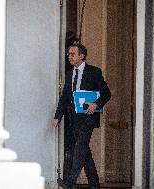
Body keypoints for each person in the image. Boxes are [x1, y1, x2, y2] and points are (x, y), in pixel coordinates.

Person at [52, 43, 111, 189]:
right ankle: (94, 184)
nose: (69, 56)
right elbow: (65, 96)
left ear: (81, 56)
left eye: (72, 54)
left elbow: (106, 93)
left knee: (79, 147)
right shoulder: (70, 73)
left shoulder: (93, 72)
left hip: (88, 117)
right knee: (84, 150)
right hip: (75, 118)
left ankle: (70, 182)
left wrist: (96, 104)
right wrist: (57, 116)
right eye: (69, 54)